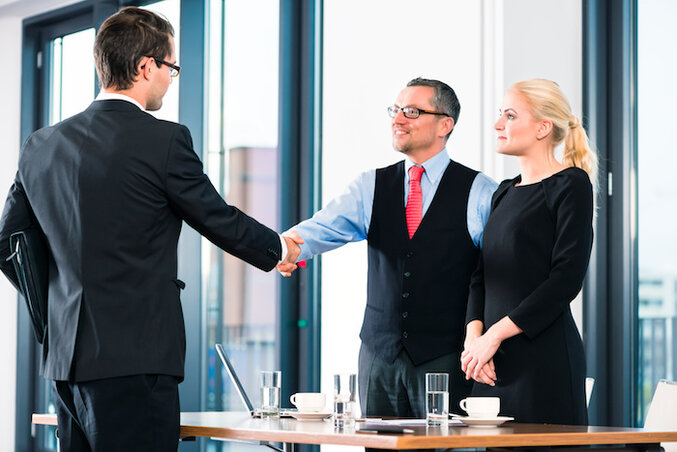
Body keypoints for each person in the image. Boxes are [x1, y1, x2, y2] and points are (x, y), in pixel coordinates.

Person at [0, 7, 300, 451]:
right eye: (171, 67)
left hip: (65, 363)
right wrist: (279, 248)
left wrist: (61, 304)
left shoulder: (41, 145)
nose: (171, 78)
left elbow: (8, 241)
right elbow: (216, 217)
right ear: (145, 65)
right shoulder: (162, 140)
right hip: (133, 360)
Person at [282, 78, 498, 419]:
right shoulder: (371, 185)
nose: (398, 119)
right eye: (395, 110)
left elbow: (497, 276)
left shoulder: (481, 191)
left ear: (445, 124)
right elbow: (321, 228)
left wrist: (487, 341)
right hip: (378, 357)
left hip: (447, 356)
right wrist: (283, 247)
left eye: (411, 111)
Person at [461, 78, 597, 425]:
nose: (497, 124)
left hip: (543, 362)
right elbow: (480, 274)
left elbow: (565, 280)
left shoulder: (571, 184)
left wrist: (493, 336)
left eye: (509, 115)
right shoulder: (503, 192)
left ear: (542, 127)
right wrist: (474, 339)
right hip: (491, 364)